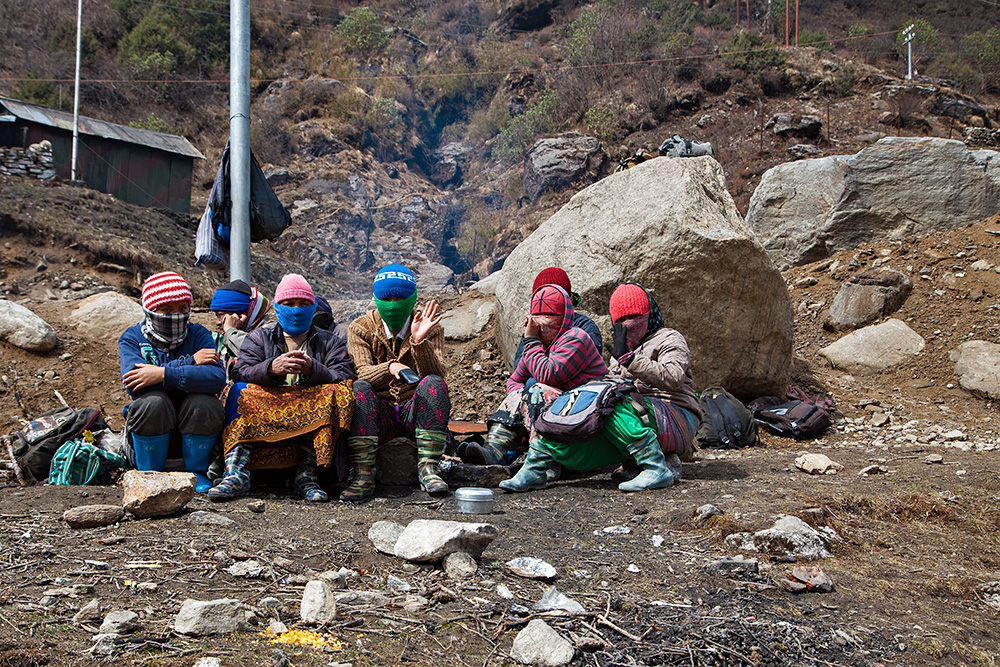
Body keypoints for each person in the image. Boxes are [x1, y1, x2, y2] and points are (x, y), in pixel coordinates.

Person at [499, 283, 702, 493]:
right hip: (632, 421)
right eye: (620, 320)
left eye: (633, 317)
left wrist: (630, 360)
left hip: (674, 416)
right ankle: (535, 469)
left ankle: (655, 468)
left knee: (609, 403)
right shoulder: (622, 347)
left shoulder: (669, 338)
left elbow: (674, 377)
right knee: (574, 427)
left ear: (649, 314)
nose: (627, 324)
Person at [209, 274, 356, 501]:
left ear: (313, 306)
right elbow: (240, 372)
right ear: (277, 307)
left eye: (303, 304)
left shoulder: (330, 341)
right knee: (236, 391)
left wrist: (313, 369)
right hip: (266, 409)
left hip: (310, 410)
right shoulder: (260, 337)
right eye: (289, 304)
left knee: (336, 392)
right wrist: (271, 368)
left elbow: (345, 375)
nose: (296, 310)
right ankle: (236, 472)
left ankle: (307, 474)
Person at [462, 283, 607, 467]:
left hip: (586, 411)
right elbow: (515, 379)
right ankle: (492, 452)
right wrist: (519, 398)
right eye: (536, 315)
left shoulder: (576, 338)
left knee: (538, 391)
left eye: (548, 315)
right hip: (560, 413)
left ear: (564, 317)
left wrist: (531, 340)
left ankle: (542, 460)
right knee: (522, 394)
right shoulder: (543, 345)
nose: (540, 321)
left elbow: (549, 375)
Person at [342, 264, 450, 501]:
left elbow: (438, 375)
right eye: (386, 298)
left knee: (433, 384)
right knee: (359, 390)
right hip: (379, 415)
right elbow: (360, 372)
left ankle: (429, 469)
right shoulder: (360, 328)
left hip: (416, 411)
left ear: (412, 298)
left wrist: (419, 342)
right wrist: (389, 367)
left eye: (400, 298)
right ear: (375, 298)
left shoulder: (430, 326)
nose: (392, 304)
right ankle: (363, 474)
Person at [118, 272, 226, 492]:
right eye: (166, 309)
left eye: (182, 309)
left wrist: (162, 375)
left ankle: (197, 472)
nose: (176, 315)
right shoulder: (132, 338)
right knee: (152, 401)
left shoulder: (198, 334)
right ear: (150, 309)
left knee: (204, 402)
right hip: (149, 428)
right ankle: (150, 473)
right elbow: (135, 383)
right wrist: (192, 362)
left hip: (194, 428)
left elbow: (215, 379)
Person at [509, 268, 602, 371]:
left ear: (568, 299)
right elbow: (519, 369)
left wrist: (531, 341)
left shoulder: (583, 327)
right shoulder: (534, 329)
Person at [209, 279, 271, 381]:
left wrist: (231, 332)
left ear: (242, 315)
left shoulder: (270, 332)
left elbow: (254, 352)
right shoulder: (224, 339)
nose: (218, 322)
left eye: (221, 316)